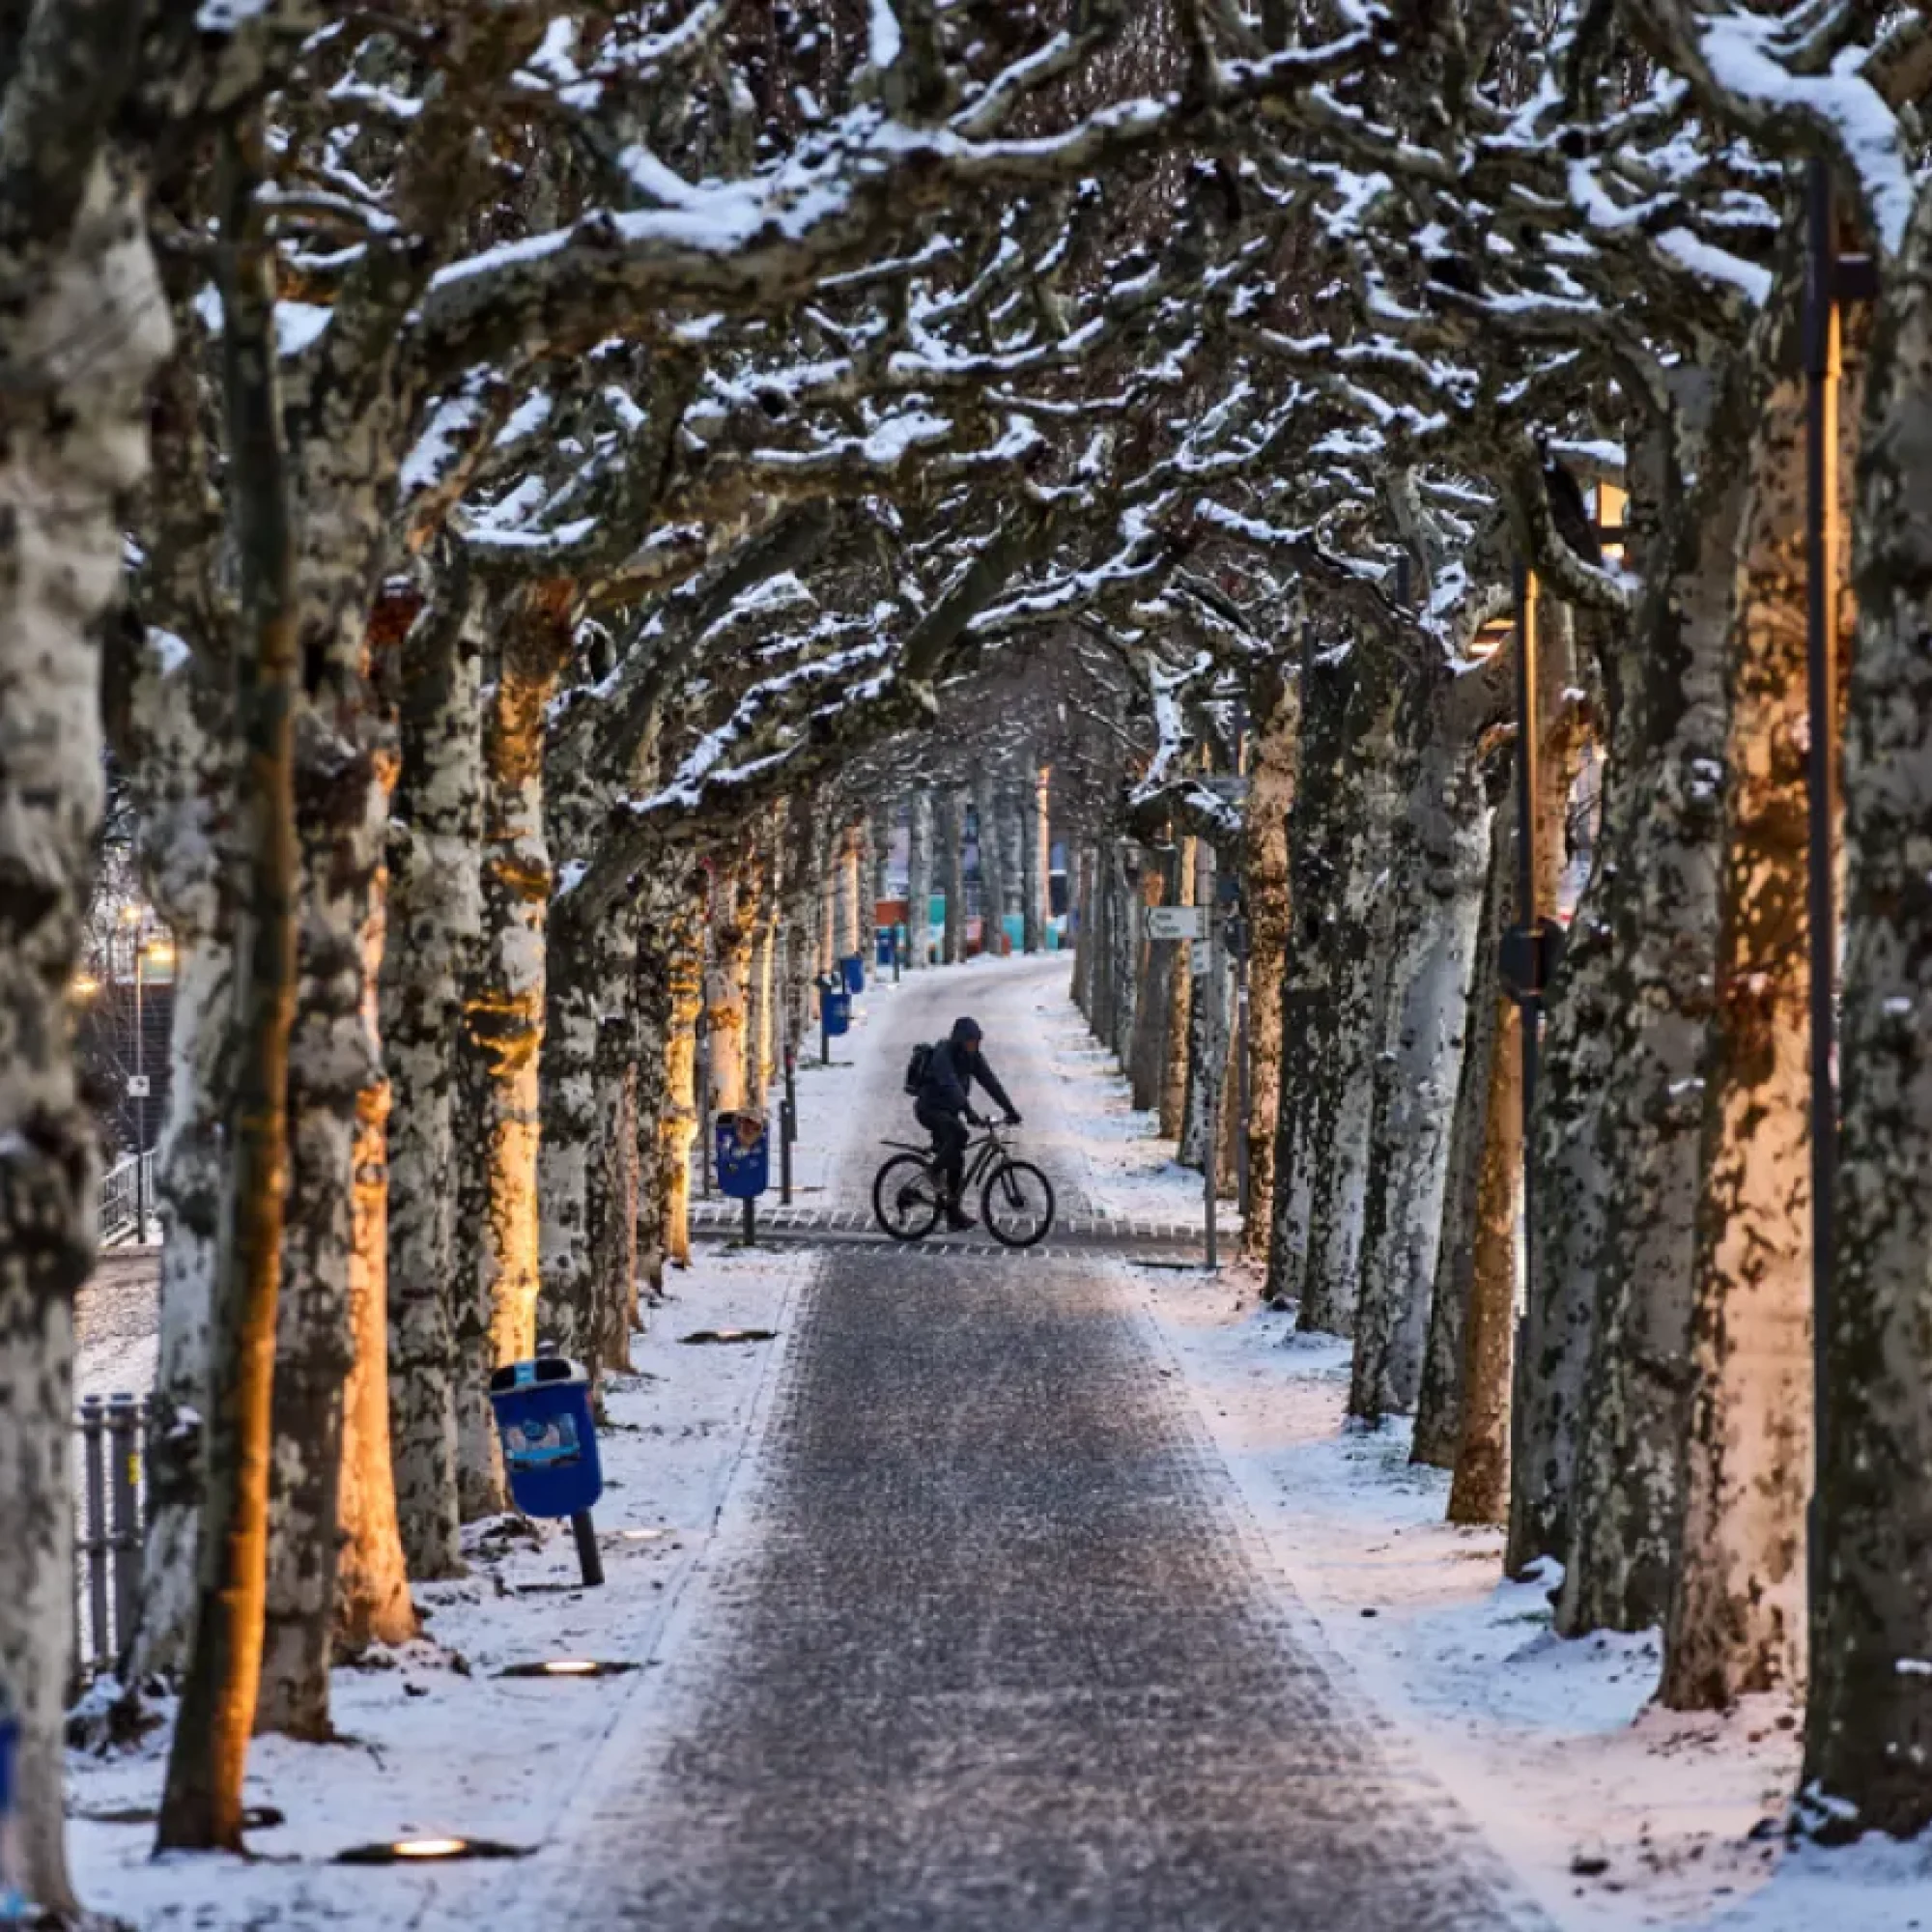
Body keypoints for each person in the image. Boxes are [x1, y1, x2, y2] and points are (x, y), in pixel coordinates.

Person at [914, 1016, 1021, 1229]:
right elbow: (950, 1084)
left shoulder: (973, 1058)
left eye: (976, 1042)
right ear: (959, 1040)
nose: (973, 1046)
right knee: (960, 1134)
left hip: (949, 1111)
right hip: (929, 1108)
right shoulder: (943, 1053)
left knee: (957, 1159)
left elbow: (991, 1082)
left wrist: (1010, 1109)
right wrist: (968, 1110)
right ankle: (933, 1171)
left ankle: (953, 1214)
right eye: (970, 1042)